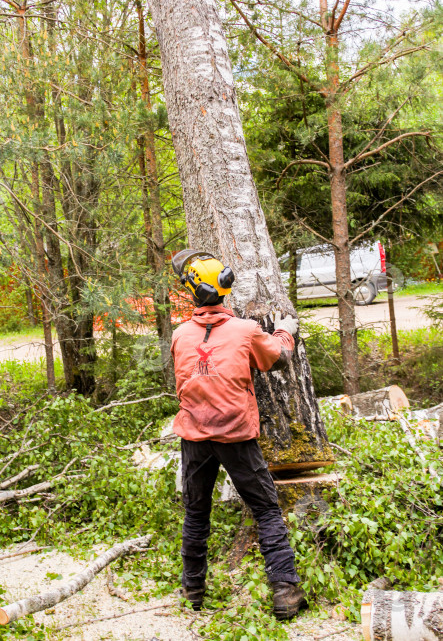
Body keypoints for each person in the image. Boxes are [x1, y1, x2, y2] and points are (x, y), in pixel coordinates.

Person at [170, 249, 305, 620]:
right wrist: (285, 332)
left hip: (194, 435)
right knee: (265, 509)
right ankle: (285, 592)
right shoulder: (246, 330)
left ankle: (193, 590)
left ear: (193, 293)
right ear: (225, 288)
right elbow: (277, 357)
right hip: (235, 435)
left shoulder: (180, 334)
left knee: (196, 513)